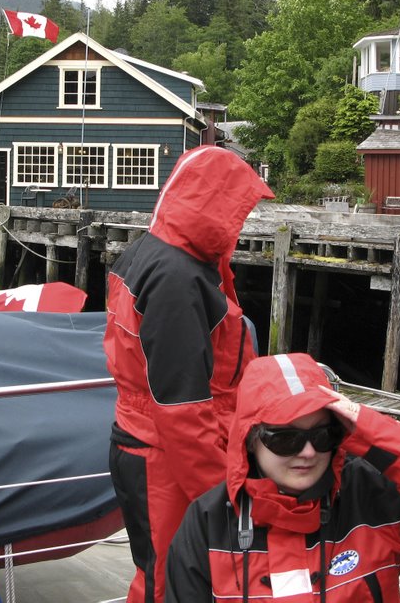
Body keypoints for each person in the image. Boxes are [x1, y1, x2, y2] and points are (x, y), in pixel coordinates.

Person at [164, 352, 400, 602]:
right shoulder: (207, 523)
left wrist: (372, 430)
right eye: (286, 438)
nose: (309, 452)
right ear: (251, 442)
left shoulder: (372, 495)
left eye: (323, 435)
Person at [103, 145, 274, 603]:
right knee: (169, 581)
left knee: (164, 571)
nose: (243, 221)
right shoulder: (178, 278)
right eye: (239, 209)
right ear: (214, 204)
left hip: (145, 441)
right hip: (163, 455)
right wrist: (225, 498)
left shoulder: (153, 250)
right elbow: (180, 409)